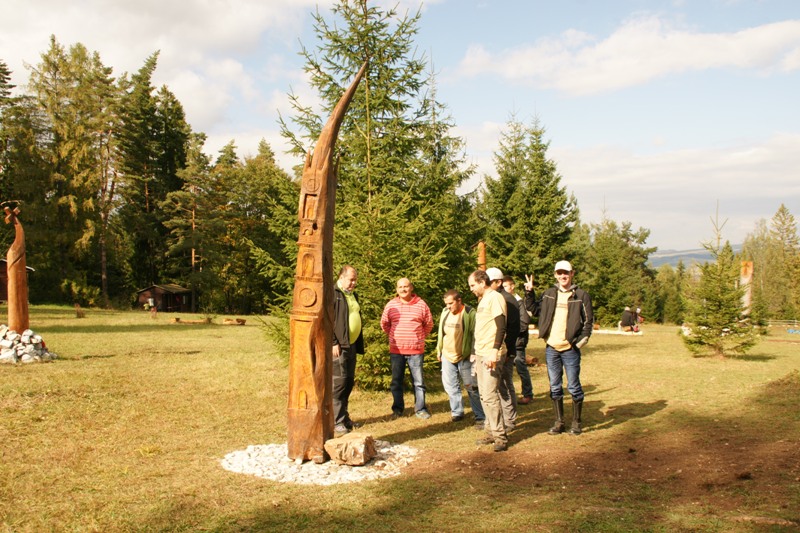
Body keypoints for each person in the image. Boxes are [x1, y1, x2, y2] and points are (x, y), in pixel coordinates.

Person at [524, 260, 593, 436]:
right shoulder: (549, 294)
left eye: (566, 273)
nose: (563, 276)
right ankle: (559, 422)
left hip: (570, 349)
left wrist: (578, 343)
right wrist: (529, 292)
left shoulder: (581, 295)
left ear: (572, 274)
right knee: (555, 387)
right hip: (552, 348)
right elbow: (533, 310)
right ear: (555, 275)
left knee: (574, 387)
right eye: (560, 273)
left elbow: (588, 322)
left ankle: (576, 423)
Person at [381, 277, 434, 419]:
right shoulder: (391, 305)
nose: (403, 289)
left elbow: (428, 324)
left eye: (405, 286)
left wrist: (418, 337)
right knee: (396, 382)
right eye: (400, 287)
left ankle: (420, 409)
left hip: (416, 351)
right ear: (396, 289)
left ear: (411, 288)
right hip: (396, 350)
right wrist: (394, 336)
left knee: (419, 382)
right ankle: (397, 409)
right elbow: (384, 324)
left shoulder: (421, 304)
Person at [468, 269, 508, 452]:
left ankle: (500, 437)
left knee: (490, 396)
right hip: (481, 353)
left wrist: (494, 351)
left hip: (492, 353)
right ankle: (490, 432)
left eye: (472, 285)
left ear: (482, 282)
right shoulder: (483, 299)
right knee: (484, 395)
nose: (471, 289)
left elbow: (501, 326)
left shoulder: (495, 298)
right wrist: (476, 352)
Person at [436, 290, 485, 428]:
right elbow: (441, 332)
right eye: (446, 304)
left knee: (471, 386)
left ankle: (480, 416)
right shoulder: (445, 312)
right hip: (447, 355)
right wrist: (439, 350)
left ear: (459, 300)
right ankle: (457, 412)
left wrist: (474, 352)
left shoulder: (470, 313)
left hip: (465, 356)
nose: (448, 306)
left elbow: (476, 334)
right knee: (451, 386)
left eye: (451, 303)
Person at [332, 265, 365, 436]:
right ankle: (336, 421)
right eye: (351, 280)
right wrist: (333, 342)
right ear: (341, 277)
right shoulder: (333, 294)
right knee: (339, 383)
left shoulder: (352, 295)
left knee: (349, 382)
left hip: (351, 345)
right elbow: (327, 319)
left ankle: (344, 417)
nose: (353, 283)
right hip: (338, 347)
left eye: (355, 280)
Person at [486, 267, 518, 431]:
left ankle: (510, 420)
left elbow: (512, 329)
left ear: (498, 282)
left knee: (505, 384)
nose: (486, 284)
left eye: (489, 282)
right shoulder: (491, 297)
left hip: (505, 350)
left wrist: (509, 352)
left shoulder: (507, 299)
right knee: (496, 386)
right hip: (493, 349)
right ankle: (499, 419)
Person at [502, 275, 533, 405]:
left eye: (505, 286)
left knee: (520, 367)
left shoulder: (519, 302)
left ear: (512, 286)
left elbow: (524, 323)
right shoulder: (504, 301)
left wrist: (510, 334)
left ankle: (527, 394)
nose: (503, 289)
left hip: (517, 341)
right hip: (507, 342)